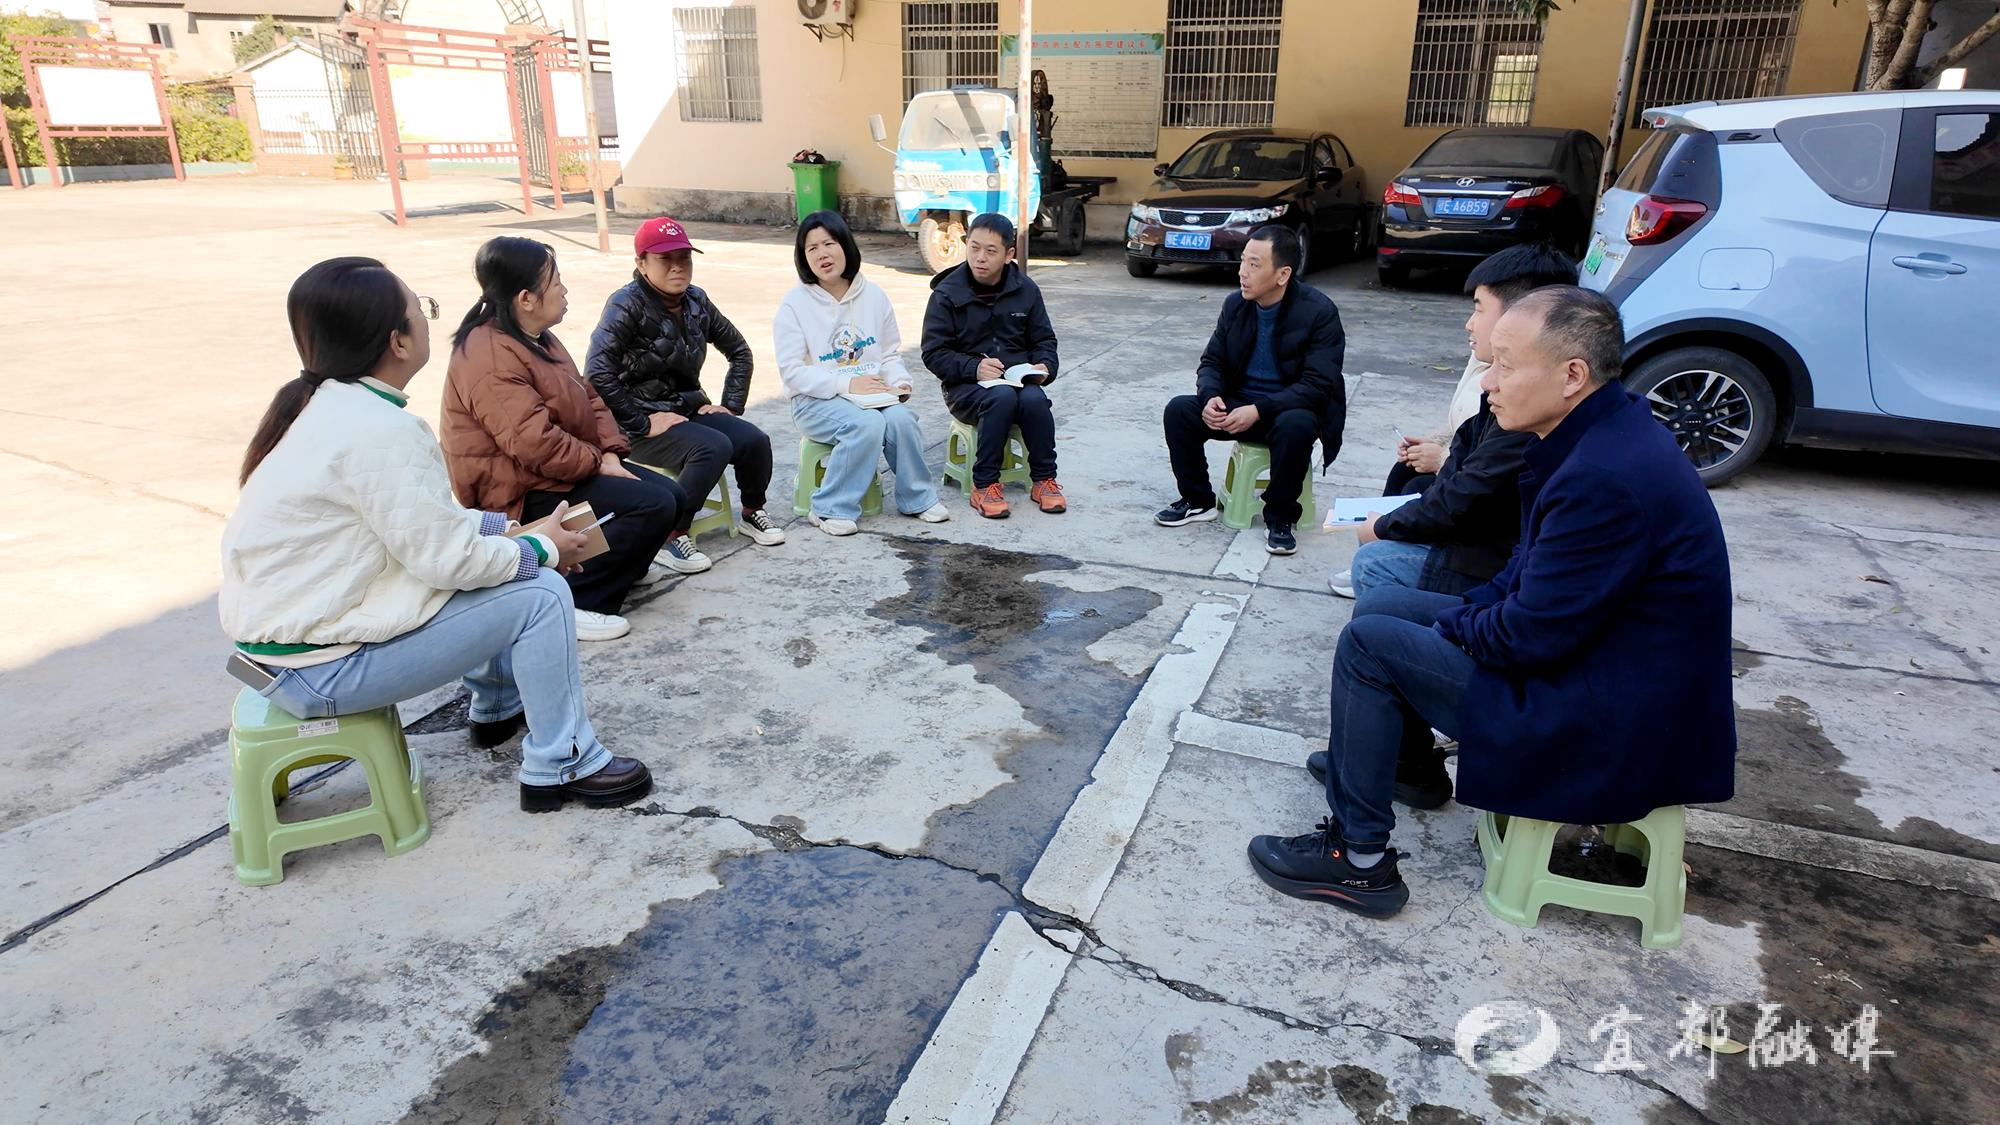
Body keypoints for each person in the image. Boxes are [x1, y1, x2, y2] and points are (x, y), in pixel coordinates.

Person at [1248, 287, 1736, 917]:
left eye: (1506, 365)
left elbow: (1526, 636)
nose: (1489, 383)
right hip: (1596, 671)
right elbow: (1523, 576)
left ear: (1572, 375)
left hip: (1608, 719)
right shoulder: (1596, 434)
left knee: (1370, 645)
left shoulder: (1603, 477)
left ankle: (1359, 860)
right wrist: (1461, 619)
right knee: (1384, 607)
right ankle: (1408, 768)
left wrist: (1459, 626)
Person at [220, 257, 652, 813]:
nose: (428, 320)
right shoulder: (380, 430)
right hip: (320, 670)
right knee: (541, 594)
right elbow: (450, 561)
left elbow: (422, 523)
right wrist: (543, 548)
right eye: (420, 309)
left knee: (506, 564)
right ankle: (563, 762)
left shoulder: (324, 408)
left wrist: (513, 531)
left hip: (286, 654)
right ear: (398, 342)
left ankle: (496, 707)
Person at [440, 236, 684, 643]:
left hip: (559, 467)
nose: (564, 291)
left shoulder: (536, 336)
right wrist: (596, 461)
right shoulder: (489, 354)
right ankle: (576, 599)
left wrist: (610, 452)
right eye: (556, 283)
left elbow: (589, 395)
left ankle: (624, 567)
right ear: (526, 299)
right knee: (652, 504)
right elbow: (535, 444)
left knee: (671, 495)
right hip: (517, 488)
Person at [1332, 244, 1579, 600]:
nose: (1469, 323)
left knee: (1374, 565)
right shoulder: (1496, 379)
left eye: (1478, 308)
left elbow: (1472, 489)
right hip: (1482, 536)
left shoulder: (1533, 404)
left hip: (1493, 560)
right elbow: (1465, 456)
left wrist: (1386, 526)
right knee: (1404, 487)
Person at [586, 215, 787, 557]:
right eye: (665, 258)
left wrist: (730, 405)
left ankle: (753, 511)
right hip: (636, 424)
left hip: (686, 409)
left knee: (753, 440)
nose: (677, 266)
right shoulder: (626, 304)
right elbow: (596, 372)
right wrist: (641, 422)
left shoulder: (696, 301)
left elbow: (739, 351)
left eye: (684, 257)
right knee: (712, 447)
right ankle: (671, 533)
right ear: (642, 263)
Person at [1154, 225, 1347, 555]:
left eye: (1254, 265)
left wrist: (1260, 410)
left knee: (1297, 425)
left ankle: (1280, 516)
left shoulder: (1319, 312)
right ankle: (1198, 500)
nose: (1242, 272)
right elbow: (1212, 361)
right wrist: (1210, 397)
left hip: (1287, 410)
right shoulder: (1235, 305)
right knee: (1179, 410)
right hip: (1239, 404)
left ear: (1283, 274)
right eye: (1243, 261)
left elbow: (1317, 385)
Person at [774, 209, 952, 536]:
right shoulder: (794, 304)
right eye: (812, 248)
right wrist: (846, 383)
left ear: (845, 245)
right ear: (803, 257)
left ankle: (917, 498)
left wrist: (898, 382)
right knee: (866, 424)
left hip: (872, 395)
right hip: (814, 401)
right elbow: (792, 373)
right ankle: (828, 509)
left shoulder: (873, 296)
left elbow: (889, 354)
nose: (822, 254)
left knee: (902, 421)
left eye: (829, 243)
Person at [921, 212, 1065, 518]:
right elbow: (933, 353)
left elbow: (1044, 340)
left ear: (1009, 254)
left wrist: (1044, 366)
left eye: (990, 251)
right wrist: (973, 367)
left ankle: (1044, 480)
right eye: (974, 248)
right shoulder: (946, 294)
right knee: (1000, 398)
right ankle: (985, 484)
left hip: (1017, 381)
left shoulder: (1026, 290)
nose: (980, 258)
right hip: (965, 389)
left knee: (1035, 400)